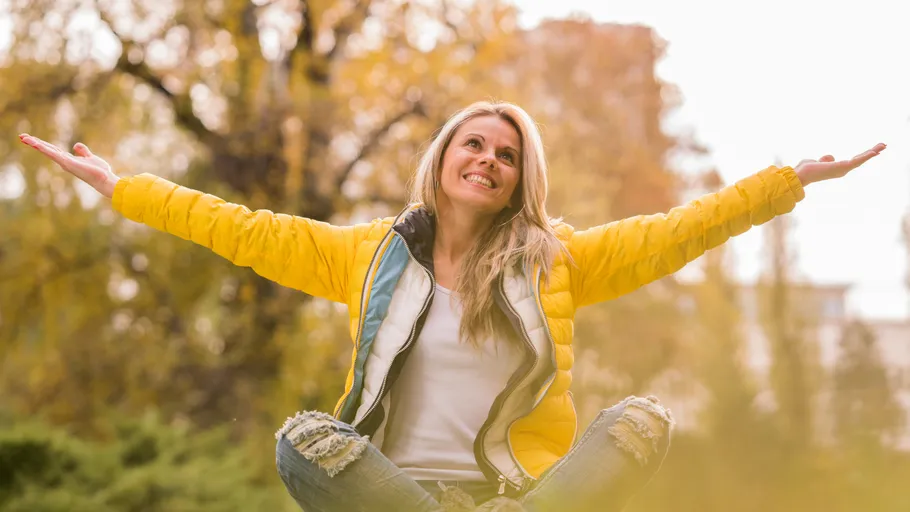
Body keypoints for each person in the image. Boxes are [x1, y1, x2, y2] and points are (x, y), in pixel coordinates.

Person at [18, 101, 885, 512]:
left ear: (520, 179)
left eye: (507, 153)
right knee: (301, 439)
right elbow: (237, 228)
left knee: (643, 420)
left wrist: (785, 184)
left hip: (517, 496)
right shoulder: (366, 257)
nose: (488, 159)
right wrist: (121, 187)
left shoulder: (560, 262)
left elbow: (678, 231)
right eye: (473, 143)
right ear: (442, 159)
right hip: (394, 494)